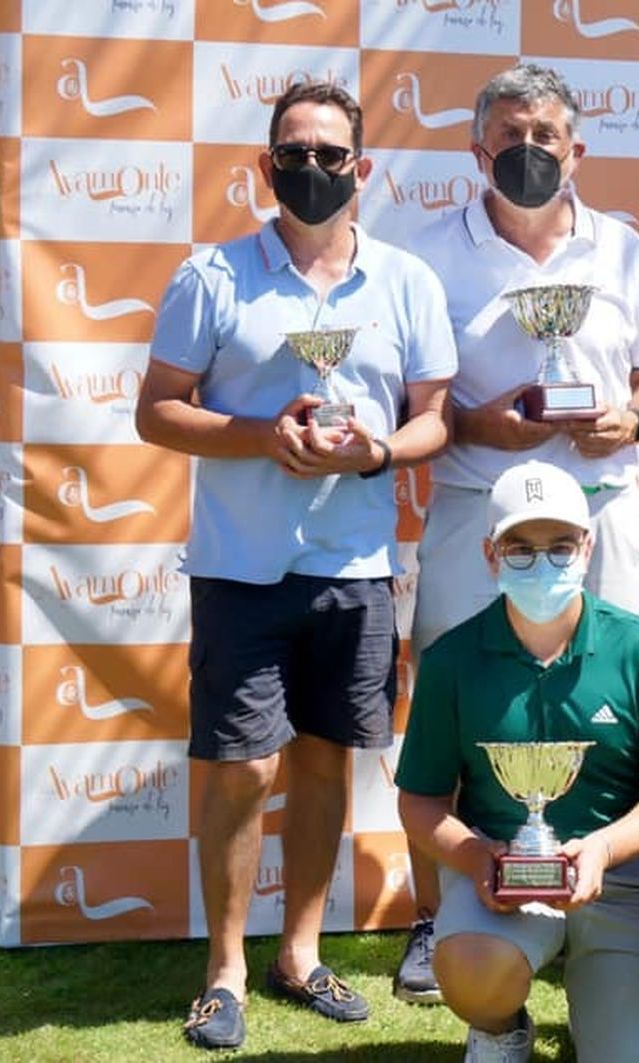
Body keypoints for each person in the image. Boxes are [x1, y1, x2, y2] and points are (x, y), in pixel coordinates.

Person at [136, 81, 456, 1050]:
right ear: (265, 164)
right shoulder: (214, 275)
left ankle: (301, 953)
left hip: (355, 567)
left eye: (329, 154)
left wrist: (379, 452)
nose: (310, 169)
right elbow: (157, 409)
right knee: (241, 769)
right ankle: (225, 967)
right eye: (293, 152)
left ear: (363, 170)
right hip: (240, 566)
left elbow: (435, 414)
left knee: (324, 765)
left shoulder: (406, 282)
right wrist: (256, 434)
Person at [390, 61, 639, 1004]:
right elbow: (415, 401)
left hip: (600, 508)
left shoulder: (626, 250)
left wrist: (633, 421)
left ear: (577, 148)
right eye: (507, 135)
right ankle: (442, 921)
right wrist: (481, 424)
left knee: (625, 705)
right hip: (479, 509)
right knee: (450, 706)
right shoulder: (426, 253)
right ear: (477, 149)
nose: (526, 150)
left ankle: (616, 904)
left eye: (543, 135)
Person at [395, 460, 639, 1062]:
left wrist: (604, 850)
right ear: (489, 554)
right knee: (473, 971)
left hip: (624, 880)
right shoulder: (452, 658)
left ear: (587, 549)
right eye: (521, 549)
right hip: (501, 880)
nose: (543, 564)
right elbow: (420, 800)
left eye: (560, 547)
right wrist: (476, 856)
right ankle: (501, 1026)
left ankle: (604, 1005)